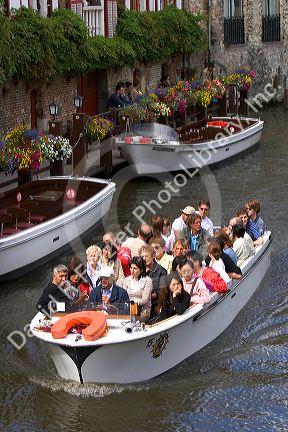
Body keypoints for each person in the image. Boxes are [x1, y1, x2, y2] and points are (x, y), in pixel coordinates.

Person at [139, 244, 167, 316]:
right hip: (140, 304)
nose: (144, 258)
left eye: (146, 256)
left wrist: (150, 295)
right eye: (142, 257)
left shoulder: (161, 271)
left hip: (154, 305)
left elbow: (162, 290)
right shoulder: (140, 270)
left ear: (153, 256)